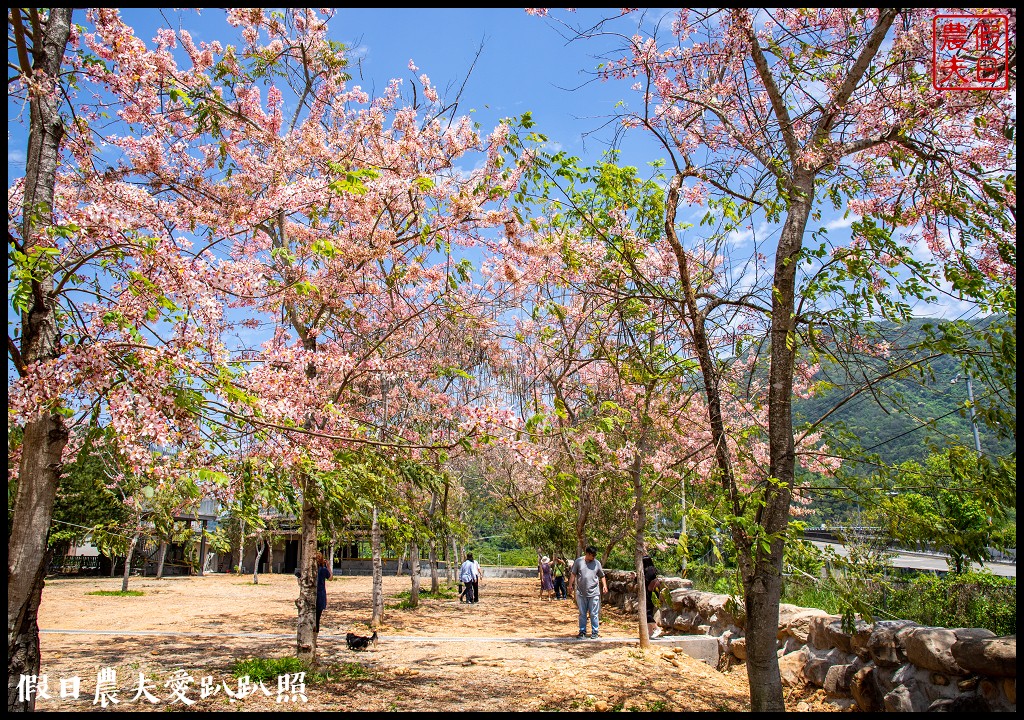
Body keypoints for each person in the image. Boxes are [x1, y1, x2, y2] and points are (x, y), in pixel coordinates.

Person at [569, 545, 607, 639]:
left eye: (595, 555)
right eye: (592, 555)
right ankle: (582, 631)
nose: (594, 557)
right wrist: (570, 585)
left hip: (594, 592)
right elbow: (573, 574)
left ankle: (595, 631)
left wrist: (605, 586)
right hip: (581, 593)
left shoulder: (597, 563)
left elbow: (602, 575)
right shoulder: (579, 561)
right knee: (582, 613)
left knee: (594, 613)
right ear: (587, 554)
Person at [642, 555, 663, 639]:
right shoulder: (652, 569)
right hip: (651, 593)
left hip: (651, 594)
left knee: (647, 613)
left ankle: (657, 628)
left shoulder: (650, 570)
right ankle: (650, 633)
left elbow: (645, 580)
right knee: (649, 612)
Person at [315, 551, 332, 634]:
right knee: (317, 619)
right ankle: (314, 639)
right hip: (320, 595)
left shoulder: (311, 570)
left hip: (312, 595)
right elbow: (330, 578)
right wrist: (328, 567)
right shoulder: (323, 570)